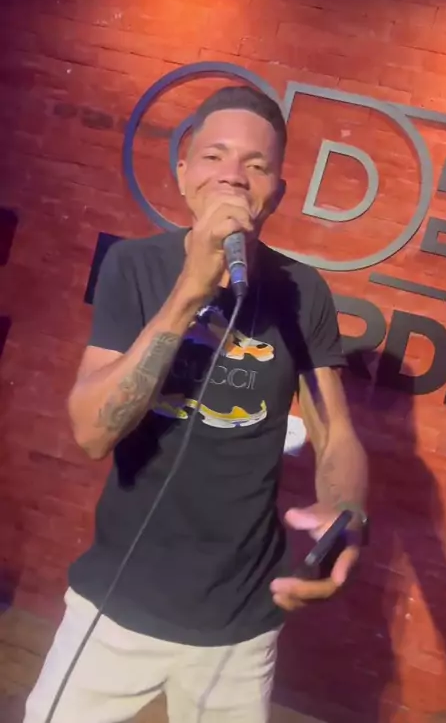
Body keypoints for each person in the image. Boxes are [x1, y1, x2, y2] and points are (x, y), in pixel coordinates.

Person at [24, 85, 368, 723]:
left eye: (256, 165)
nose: (233, 176)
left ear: (277, 194)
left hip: (238, 623)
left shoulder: (304, 291)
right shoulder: (134, 267)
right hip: (116, 604)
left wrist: (346, 510)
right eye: (214, 156)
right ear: (183, 175)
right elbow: (92, 432)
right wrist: (191, 289)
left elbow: (336, 432)